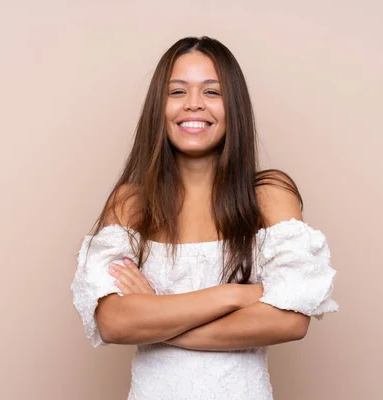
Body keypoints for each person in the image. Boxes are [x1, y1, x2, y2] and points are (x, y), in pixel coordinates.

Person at [71, 36, 339, 400]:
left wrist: (154, 316)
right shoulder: (130, 203)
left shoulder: (270, 195)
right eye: (177, 92)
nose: (194, 105)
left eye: (212, 92)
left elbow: (290, 320)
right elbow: (113, 322)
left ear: (234, 107)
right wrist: (234, 295)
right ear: (158, 106)